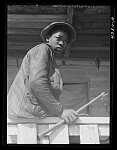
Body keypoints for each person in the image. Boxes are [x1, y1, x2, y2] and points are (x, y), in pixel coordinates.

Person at [7, 22, 78, 124]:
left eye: (65, 41)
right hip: (25, 117)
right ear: (47, 38)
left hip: (32, 116)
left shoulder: (51, 59)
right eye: (58, 38)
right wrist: (60, 111)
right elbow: (37, 83)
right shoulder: (42, 49)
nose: (62, 43)